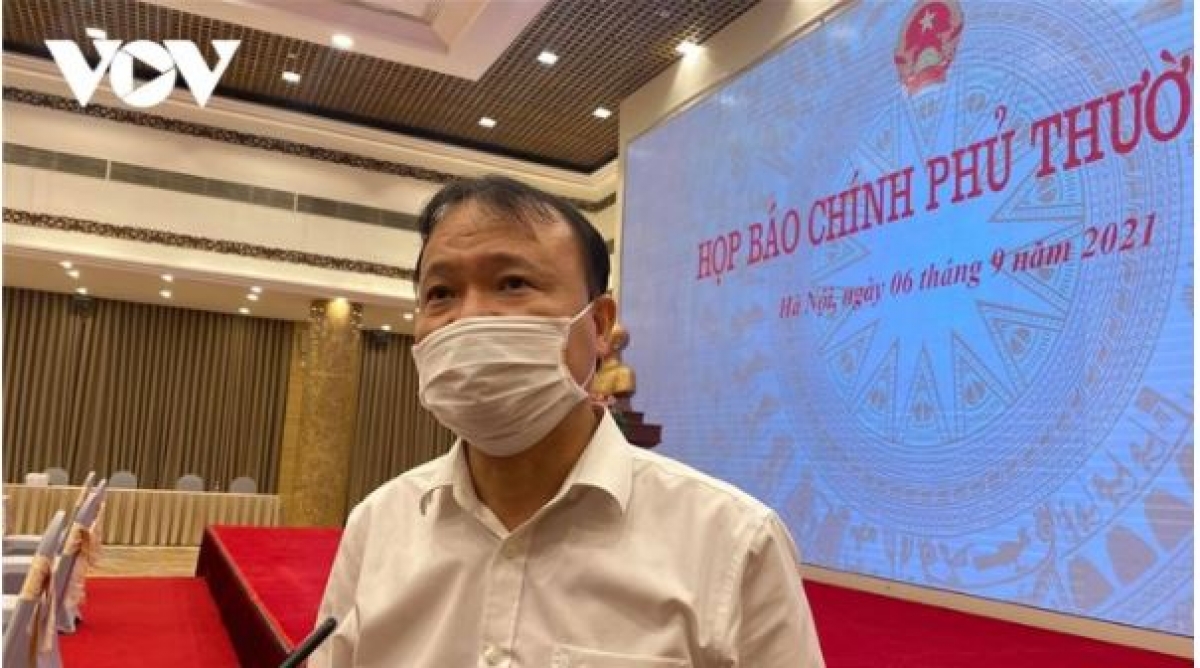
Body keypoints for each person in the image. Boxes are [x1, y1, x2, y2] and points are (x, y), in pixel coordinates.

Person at [311, 175, 825, 667]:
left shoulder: (734, 542)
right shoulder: (376, 526)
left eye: (512, 283)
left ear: (599, 325)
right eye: (441, 293)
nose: (468, 317)